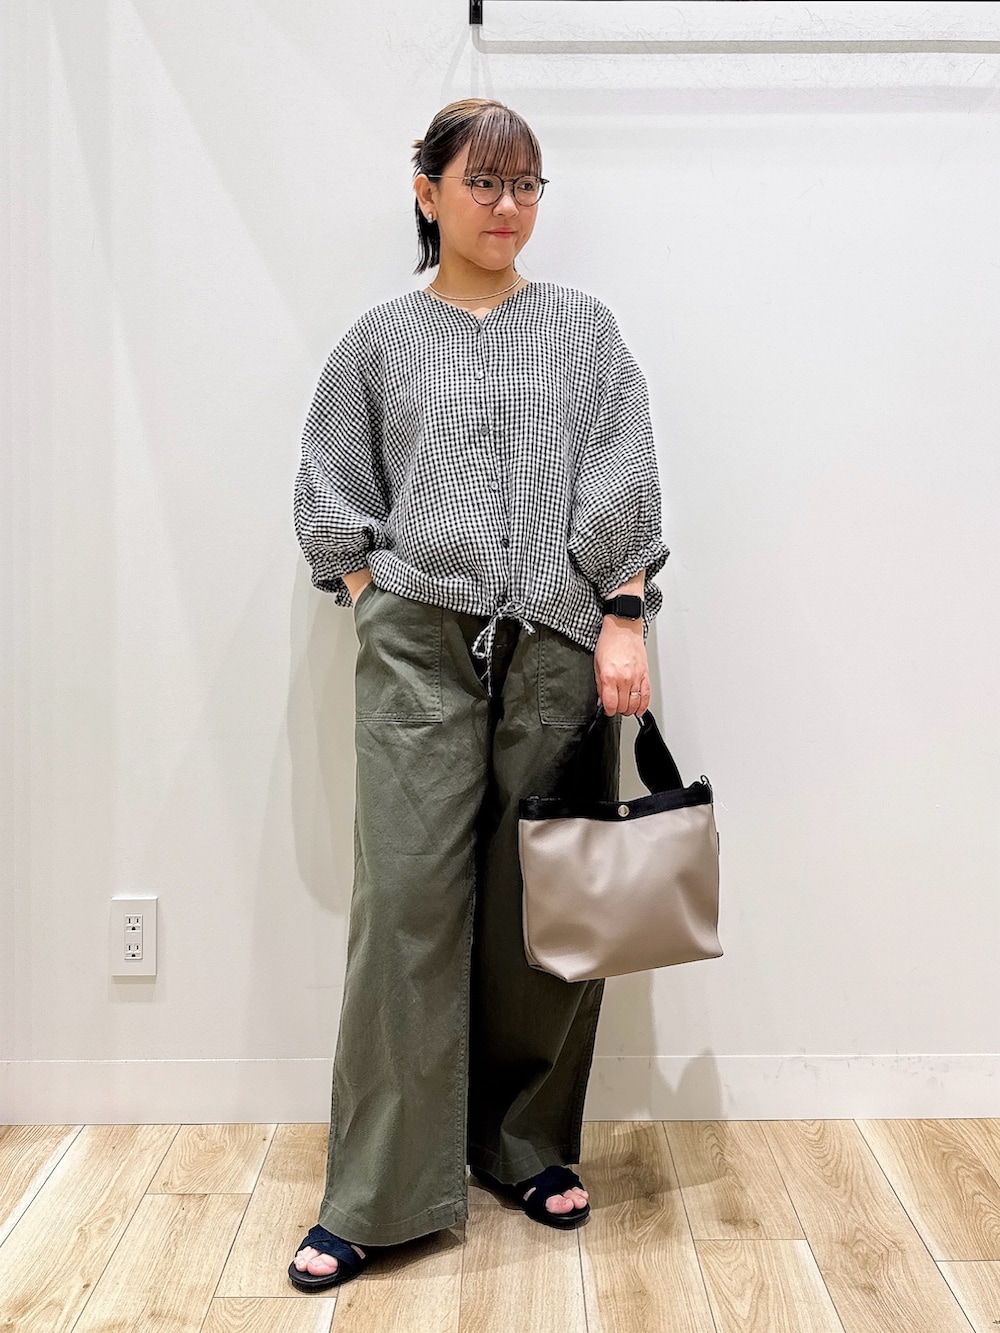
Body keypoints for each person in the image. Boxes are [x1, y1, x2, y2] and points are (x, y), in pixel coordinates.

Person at [288, 97, 669, 1291]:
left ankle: (524, 1145)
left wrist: (621, 612)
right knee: (404, 905)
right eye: (483, 183)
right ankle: (377, 1190)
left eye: (526, 186)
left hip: (559, 639)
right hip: (418, 641)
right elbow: (329, 483)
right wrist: (371, 593)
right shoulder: (379, 341)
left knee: (545, 908)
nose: (507, 206)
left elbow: (623, 469)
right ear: (428, 193)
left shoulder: (584, 331)